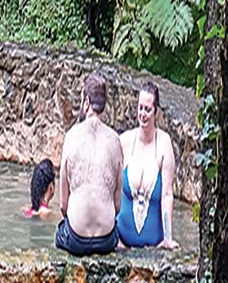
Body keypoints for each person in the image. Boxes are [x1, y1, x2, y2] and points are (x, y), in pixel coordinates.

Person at [55, 73, 122, 255]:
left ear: (86, 102)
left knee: (59, 232)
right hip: (106, 239)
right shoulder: (115, 140)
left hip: (76, 238)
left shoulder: (71, 136)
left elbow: (63, 205)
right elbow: (117, 205)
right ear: (104, 105)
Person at [117, 83, 179, 250]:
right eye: (140, 108)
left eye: (147, 109)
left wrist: (168, 238)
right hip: (121, 242)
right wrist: (112, 238)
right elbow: (110, 189)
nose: (143, 114)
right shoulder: (125, 142)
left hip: (154, 244)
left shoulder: (165, 144)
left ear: (156, 112)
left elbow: (167, 194)